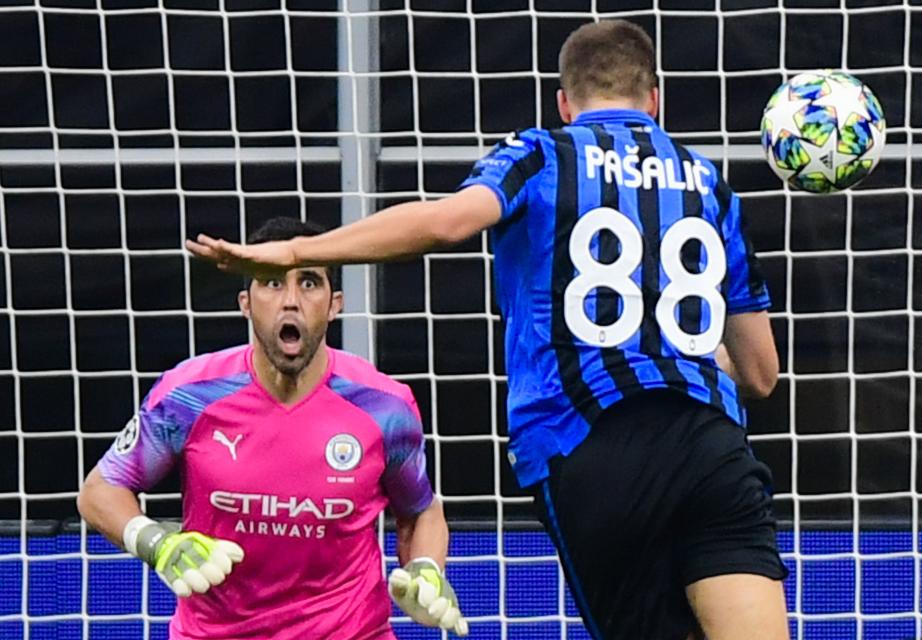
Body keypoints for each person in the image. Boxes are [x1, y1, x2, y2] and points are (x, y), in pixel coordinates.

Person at [187, 20, 788, 640]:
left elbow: (447, 223)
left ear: (563, 101)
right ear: (655, 99)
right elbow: (761, 373)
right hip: (712, 444)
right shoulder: (708, 182)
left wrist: (293, 252)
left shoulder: (542, 153)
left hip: (590, 442)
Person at [78, 217, 468, 639]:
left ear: (335, 304)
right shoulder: (189, 396)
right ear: (245, 302)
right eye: (272, 283)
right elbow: (100, 491)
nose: (291, 301)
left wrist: (426, 569)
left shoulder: (384, 407)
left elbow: (420, 511)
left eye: (309, 283)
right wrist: (156, 542)